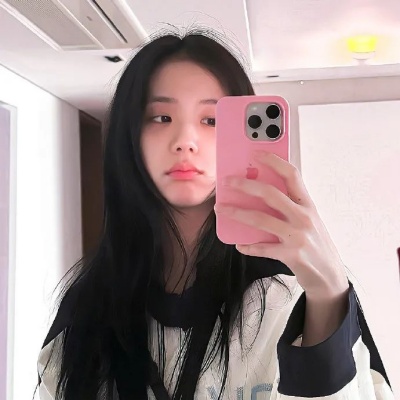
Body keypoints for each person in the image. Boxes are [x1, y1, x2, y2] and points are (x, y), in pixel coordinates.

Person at [37, 29, 394, 400]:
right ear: (129, 137)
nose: (185, 141)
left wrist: (330, 294)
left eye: (211, 120)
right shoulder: (87, 309)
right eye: (161, 117)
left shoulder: (291, 293)